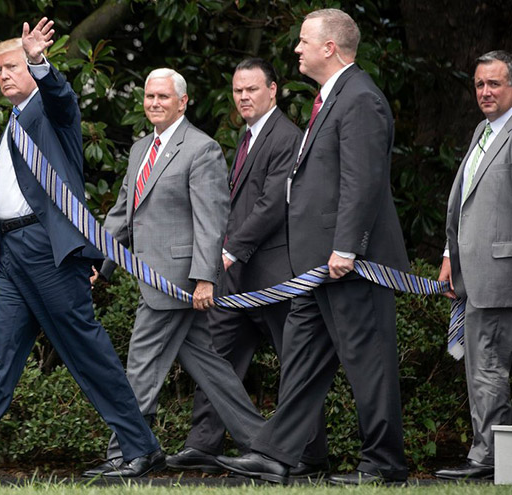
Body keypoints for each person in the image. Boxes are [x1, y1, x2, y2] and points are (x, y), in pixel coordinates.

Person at [0, 18, 163, 479]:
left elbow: (63, 98)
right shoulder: (10, 122)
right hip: (12, 253)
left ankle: (140, 447)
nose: (4, 76)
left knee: (85, 351)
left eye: (11, 67)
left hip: (48, 250)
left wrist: (37, 59)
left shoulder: (51, 113)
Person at [216, 8, 410, 485]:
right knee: (301, 360)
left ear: (330, 48)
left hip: (349, 264)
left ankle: (384, 464)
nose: (296, 49)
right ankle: (280, 455)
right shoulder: (329, 98)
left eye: (304, 41)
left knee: (369, 360)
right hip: (313, 267)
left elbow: (362, 182)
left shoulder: (361, 98)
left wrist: (346, 247)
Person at [82, 67, 266, 477]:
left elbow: (212, 219)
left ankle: (127, 453)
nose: (154, 103)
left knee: (141, 366)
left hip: (177, 282)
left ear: (183, 102)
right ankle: (267, 447)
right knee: (212, 369)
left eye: (163, 97)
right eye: (149, 97)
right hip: (153, 278)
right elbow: (121, 216)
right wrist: (99, 262)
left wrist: (205, 277)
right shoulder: (139, 149)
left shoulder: (201, 149)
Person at [166, 58, 328, 477]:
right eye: (238, 91)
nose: (243, 97)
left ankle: (309, 456)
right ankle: (203, 444)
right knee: (217, 358)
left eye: (252, 89)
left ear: (272, 90)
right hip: (237, 279)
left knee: (296, 364)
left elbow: (273, 203)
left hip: (277, 276)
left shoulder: (288, 137)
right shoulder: (248, 137)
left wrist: (229, 249)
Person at [434, 50, 512, 481]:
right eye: (480, 84)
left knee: (489, 370)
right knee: (484, 371)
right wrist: (450, 258)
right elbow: (466, 205)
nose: (485, 91)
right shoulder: (482, 131)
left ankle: (489, 460)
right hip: (474, 274)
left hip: (503, 275)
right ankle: (494, 459)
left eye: (495, 83)